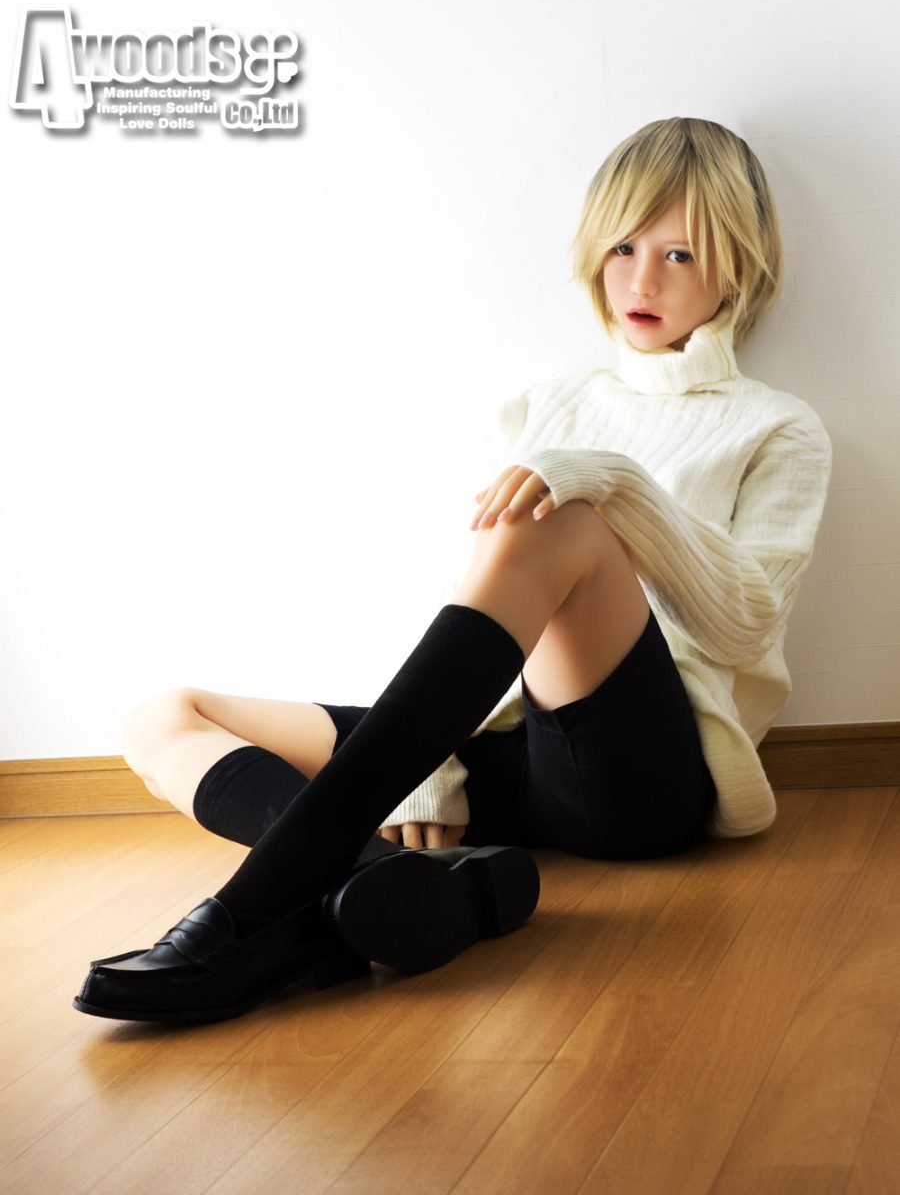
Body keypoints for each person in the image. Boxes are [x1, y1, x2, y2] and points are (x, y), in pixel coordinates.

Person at [73, 116, 833, 1025]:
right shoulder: (542, 409)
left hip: (638, 775)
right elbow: (478, 603)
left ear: (738, 268)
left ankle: (253, 914)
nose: (641, 280)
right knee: (164, 717)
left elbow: (749, 625)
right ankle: (397, 882)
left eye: (680, 255)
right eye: (623, 248)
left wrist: (617, 487)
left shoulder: (778, 427)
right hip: (502, 757)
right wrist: (427, 767)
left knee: (569, 516)